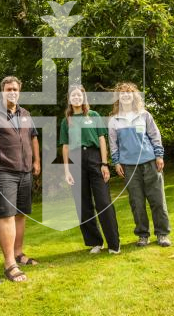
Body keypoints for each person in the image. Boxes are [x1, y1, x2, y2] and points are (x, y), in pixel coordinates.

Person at [0, 76, 41, 282]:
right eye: (9, 89)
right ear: (2, 91)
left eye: (15, 89)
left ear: (20, 91)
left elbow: (33, 137)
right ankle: (9, 263)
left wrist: (37, 162)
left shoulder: (25, 114)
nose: (12, 92)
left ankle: (18, 253)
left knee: (20, 214)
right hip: (3, 171)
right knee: (5, 216)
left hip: (25, 170)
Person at [108, 82, 171, 248]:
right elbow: (113, 144)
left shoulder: (144, 115)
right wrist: (116, 163)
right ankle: (143, 235)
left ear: (134, 95)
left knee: (157, 200)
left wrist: (159, 156)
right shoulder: (114, 120)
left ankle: (162, 234)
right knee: (137, 203)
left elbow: (155, 136)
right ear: (118, 98)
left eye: (129, 92)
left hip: (150, 162)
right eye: (122, 93)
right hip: (129, 167)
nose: (126, 95)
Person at [60, 84, 120, 254]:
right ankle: (95, 242)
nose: (76, 98)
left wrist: (104, 164)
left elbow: (102, 140)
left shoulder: (93, 115)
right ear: (70, 99)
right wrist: (66, 171)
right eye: (73, 96)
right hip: (75, 161)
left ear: (84, 97)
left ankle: (114, 244)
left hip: (94, 159)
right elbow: (65, 147)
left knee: (103, 202)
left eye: (79, 95)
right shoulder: (67, 121)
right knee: (83, 204)